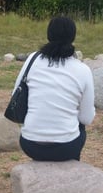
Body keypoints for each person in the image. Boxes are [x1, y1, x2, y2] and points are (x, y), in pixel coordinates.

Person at [12, 15, 95, 161]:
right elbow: (86, 118)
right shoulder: (83, 70)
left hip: (29, 144)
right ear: (72, 37)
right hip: (67, 148)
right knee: (80, 126)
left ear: (49, 35)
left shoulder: (32, 59)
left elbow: (15, 94)